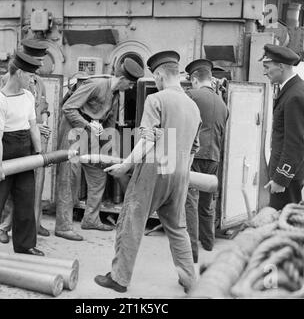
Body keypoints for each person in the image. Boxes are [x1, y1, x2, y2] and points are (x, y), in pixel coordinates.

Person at [94, 51, 201, 294]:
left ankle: (119, 279)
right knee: (177, 227)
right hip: (180, 172)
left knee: (131, 221)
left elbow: (147, 140)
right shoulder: (193, 106)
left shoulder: (156, 100)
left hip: (154, 170)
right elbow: (193, 148)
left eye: (156, 78)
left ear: (161, 75)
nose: (157, 82)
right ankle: (190, 281)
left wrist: (126, 166)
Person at [54, 58, 144, 241]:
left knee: (98, 173)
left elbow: (109, 123)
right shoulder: (96, 85)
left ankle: (91, 219)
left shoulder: (116, 95)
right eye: (131, 83)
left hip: (90, 132)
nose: (132, 88)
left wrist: (110, 153)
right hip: (73, 130)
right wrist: (88, 125)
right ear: (123, 79)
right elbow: (68, 108)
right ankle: (63, 227)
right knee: (69, 177)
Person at [0, 51, 44, 256]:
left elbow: (33, 127)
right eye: (30, 76)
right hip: (3, 152)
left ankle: (25, 245)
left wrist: (38, 154)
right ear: (19, 73)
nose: (32, 80)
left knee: (25, 200)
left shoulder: (29, 96)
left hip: (25, 152)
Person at [0, 39, 52, 244]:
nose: (39, 66)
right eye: (36, 61)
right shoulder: (7, 80)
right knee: (13, 186)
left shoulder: (39, 81)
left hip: (37, 137)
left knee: (35, 185)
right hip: (17, 138)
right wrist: (35, 125)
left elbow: (44, 106)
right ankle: (3, 227)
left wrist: (43, 123)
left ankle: (34, 222)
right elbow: (8, 113)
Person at [184, 59, 229, 263]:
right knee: (206, 202)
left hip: (194, 155)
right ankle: (208, 242)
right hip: (214, 156)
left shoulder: (191, 96)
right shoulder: (222, 103)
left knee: (190, 202)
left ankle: (192, 250)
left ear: (194, 79)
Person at [261, 44, 304, 210]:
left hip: (289, 175)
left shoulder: (295, 96)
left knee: (283, 222)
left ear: (281, 66)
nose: (264, 72)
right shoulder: (301, 88)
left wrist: (281, 178)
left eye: (267, 67)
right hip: (293, 171)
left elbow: (296, 143)